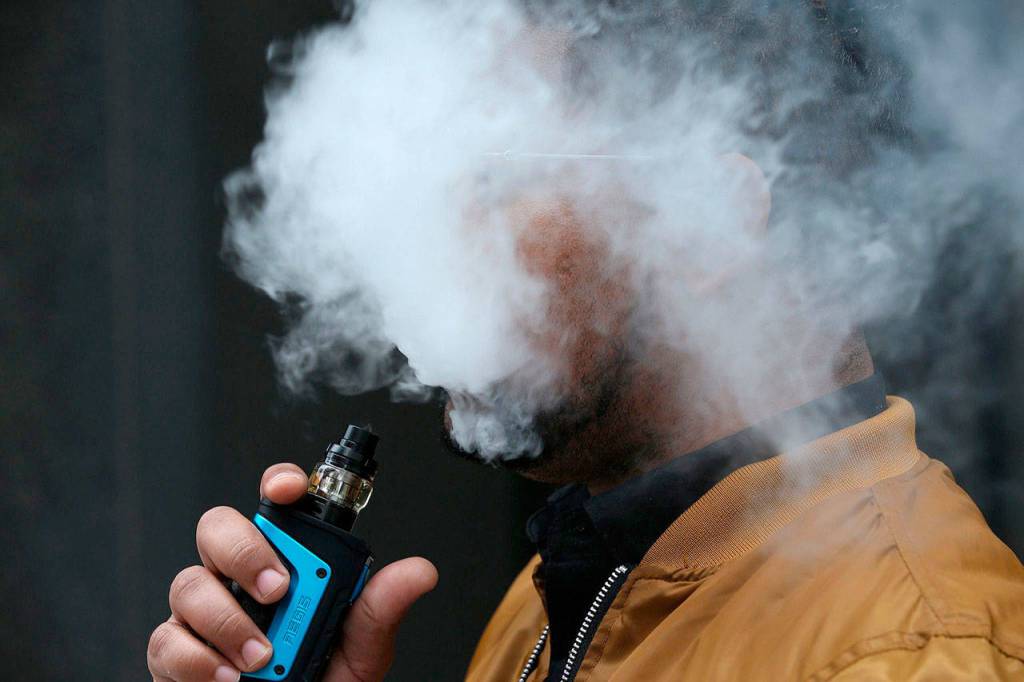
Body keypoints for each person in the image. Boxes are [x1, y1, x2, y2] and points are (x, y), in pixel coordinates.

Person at [147, 8, 1024, 682]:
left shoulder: (912, 656)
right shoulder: (571, 586)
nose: (425, 244)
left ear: (706, 222)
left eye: (490, 180)